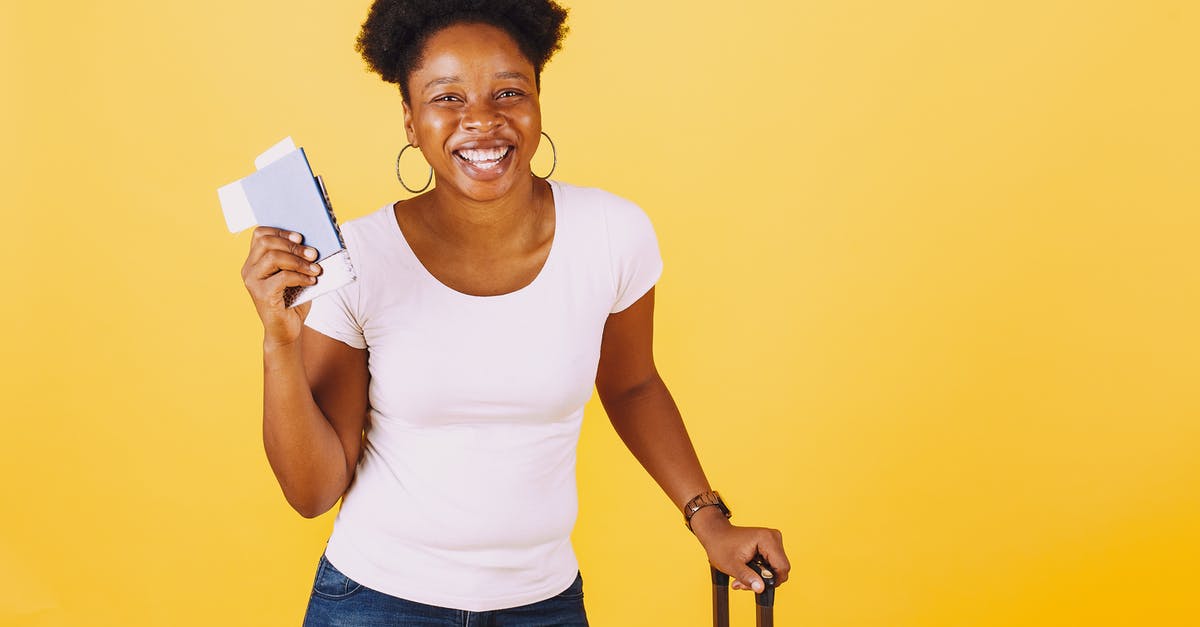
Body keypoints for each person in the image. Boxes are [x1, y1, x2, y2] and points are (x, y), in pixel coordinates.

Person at [239, 1, 791, 624]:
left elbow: (633, 385)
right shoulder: (359, 259)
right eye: (447, 98)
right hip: (375, 602)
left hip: (543, 605)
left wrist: (708, 521)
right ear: (409, 120)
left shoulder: (612, 235)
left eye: (508, 92)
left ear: (537, 102)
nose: (482, 121)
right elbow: (312, 493)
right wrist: (279, 342)